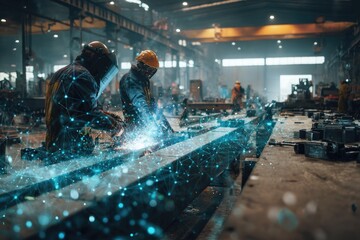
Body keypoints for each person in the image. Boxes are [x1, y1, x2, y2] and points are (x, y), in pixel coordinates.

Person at [45, 41, 123, 156]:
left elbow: (76, 108)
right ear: (98, 61)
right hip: (70, 149)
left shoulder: (62, 72)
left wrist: (108, 116)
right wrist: (116, 127)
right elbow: (89, 115)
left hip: (55, 144)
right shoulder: (82, 75)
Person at [119, 50, 173, 142]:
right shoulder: (131, 80)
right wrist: (153, 127)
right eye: (149, 70)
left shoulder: (143, 80)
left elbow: (153, 106)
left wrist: (168, 128)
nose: (150, 73)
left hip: (143, 123)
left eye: (152, 71)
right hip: (134, 127)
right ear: (141, 66)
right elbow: (140, 105)